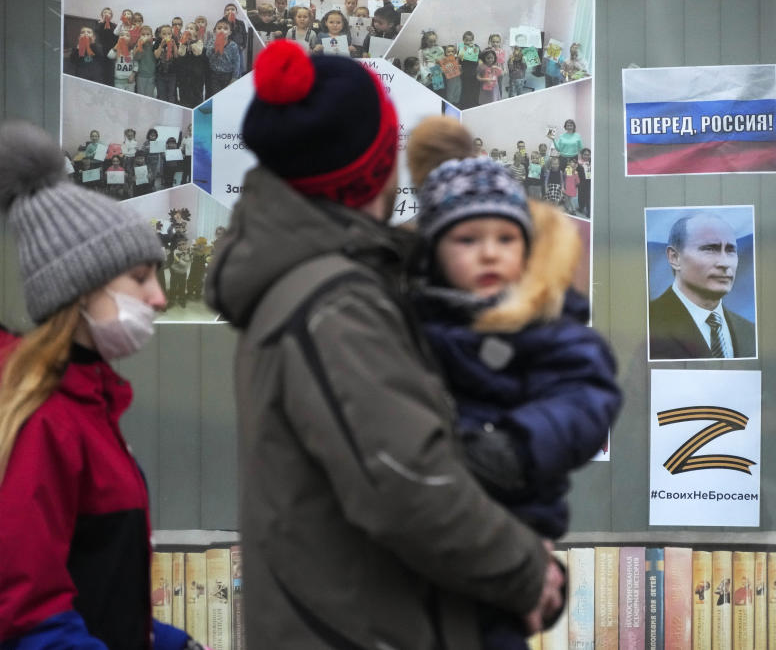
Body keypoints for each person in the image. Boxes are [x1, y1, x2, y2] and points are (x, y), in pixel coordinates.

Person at [203, 40, 564, 649]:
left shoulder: (317, 284)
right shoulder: (335, 305)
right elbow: (409, 485)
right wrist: (531, 574)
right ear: (376, 168)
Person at [407, 116, 621, 650]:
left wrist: (519, 444)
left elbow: (587, 396)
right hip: (431, 529)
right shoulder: (415, 318)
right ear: (433, 250)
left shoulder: (544, 324)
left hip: (515, 514)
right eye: (467, 238)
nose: (489, 252)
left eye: (506, 238)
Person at [0, 121, 201, 650]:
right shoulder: (45, 421)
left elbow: (95, 587)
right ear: (80, 288)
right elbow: (28, 616)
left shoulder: (90, 405)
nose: (158, 298)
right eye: (139, 278)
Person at [648, 212, 757, 360]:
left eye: (731, 250)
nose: (724, 263)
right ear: (674, 257)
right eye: (710, 249)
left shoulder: (749, 331)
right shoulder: (648, 324)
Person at [206, 20, 241, 95]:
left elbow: (237, 62)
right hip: (214, 74)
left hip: (227, 75)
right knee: (215, 94)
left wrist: (234, 77)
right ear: (215, 31)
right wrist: (214, 46)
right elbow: (207, 55)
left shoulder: (233, 45)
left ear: (230, 32)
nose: (222, 30)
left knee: (227, 94)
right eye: (219, 28)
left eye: (225, 29)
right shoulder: (211, 42)